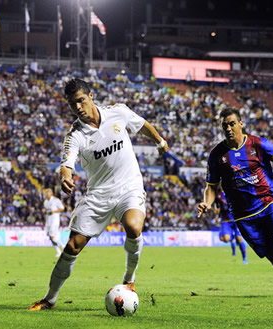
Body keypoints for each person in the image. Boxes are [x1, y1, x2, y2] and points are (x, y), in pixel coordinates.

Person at [29, 78, 169, 311]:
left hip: (129, 188)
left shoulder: (118, 113)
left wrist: (160, 140)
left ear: (91, 96)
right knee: (72, 246)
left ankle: (129, 280)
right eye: (73, 105)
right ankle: (49, 299)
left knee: (134, 227)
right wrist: (65, 176)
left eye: (81, 101)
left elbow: (141, 124)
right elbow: (66, 163)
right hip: (98, 196)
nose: (78, 108)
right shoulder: (75, 135)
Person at [196, 107, 273, 298]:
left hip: (267, 203)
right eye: (224, 125)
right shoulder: (216, 155)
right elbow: (211, 186)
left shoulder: (258, 144)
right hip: (243, 216)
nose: (228, 128)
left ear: (241, 123)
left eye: (232, 123)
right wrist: (206, 202)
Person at [215, 190, 247, 264]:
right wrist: (217, 214)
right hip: (226, 221)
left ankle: (244, 258)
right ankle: (232, 237)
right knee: (226, 239)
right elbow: (217, 208)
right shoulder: (218, 195)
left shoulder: (234, 190)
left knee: (239, 239)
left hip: (236, 219)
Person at [43, 188, 65, 257]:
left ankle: (63, 246)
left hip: (55, 220)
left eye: (48, 192)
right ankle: (58, 252)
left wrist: (54, 211)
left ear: (51, 193)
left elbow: (62, 208)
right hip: (48, 221)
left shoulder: (56, 200)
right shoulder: (45, 202)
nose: (47, 193)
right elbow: (47, 211)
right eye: (46, 192)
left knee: (52, 236)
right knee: (50, 237)